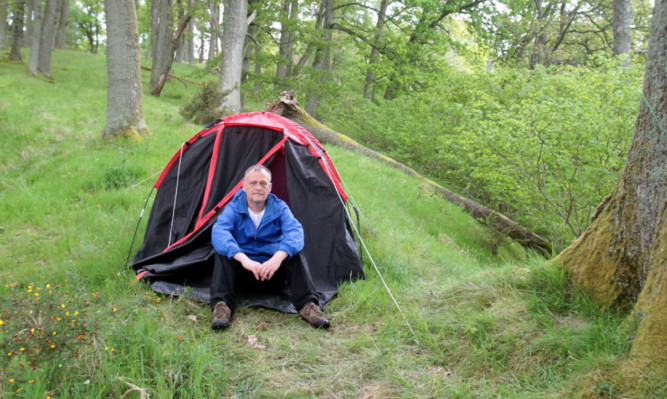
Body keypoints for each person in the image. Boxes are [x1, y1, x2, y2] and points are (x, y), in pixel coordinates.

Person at [209, 164, 330, 331]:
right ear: (244, 186)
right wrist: (244, 259)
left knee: (294, 253)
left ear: (270, 187)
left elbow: (295, 233)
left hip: (272, 274)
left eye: (263, 183)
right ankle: (221, 307)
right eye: (253, 183)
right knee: (223, 252)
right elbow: (219, 232)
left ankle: (307, 306)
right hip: (243, 274)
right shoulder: (233, 208)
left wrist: (277, 258)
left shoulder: (280, 208)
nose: (258, 187)